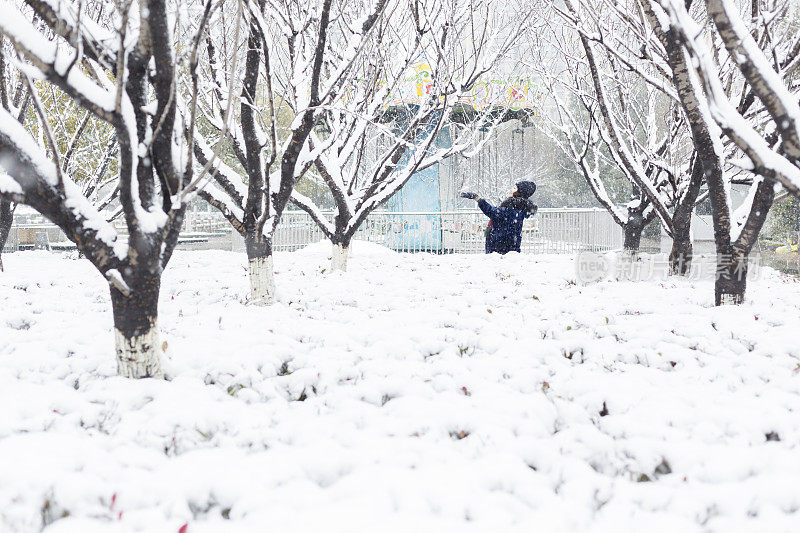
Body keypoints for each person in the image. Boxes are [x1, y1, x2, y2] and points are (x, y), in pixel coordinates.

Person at [461, 181, 538, 254]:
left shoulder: (513, 207)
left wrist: (478, 199)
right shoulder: (518, 206)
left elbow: (493, 212)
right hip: (508, 246)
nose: (511, 190)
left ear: (520, 193)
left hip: (500, 247)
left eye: (514, 188)